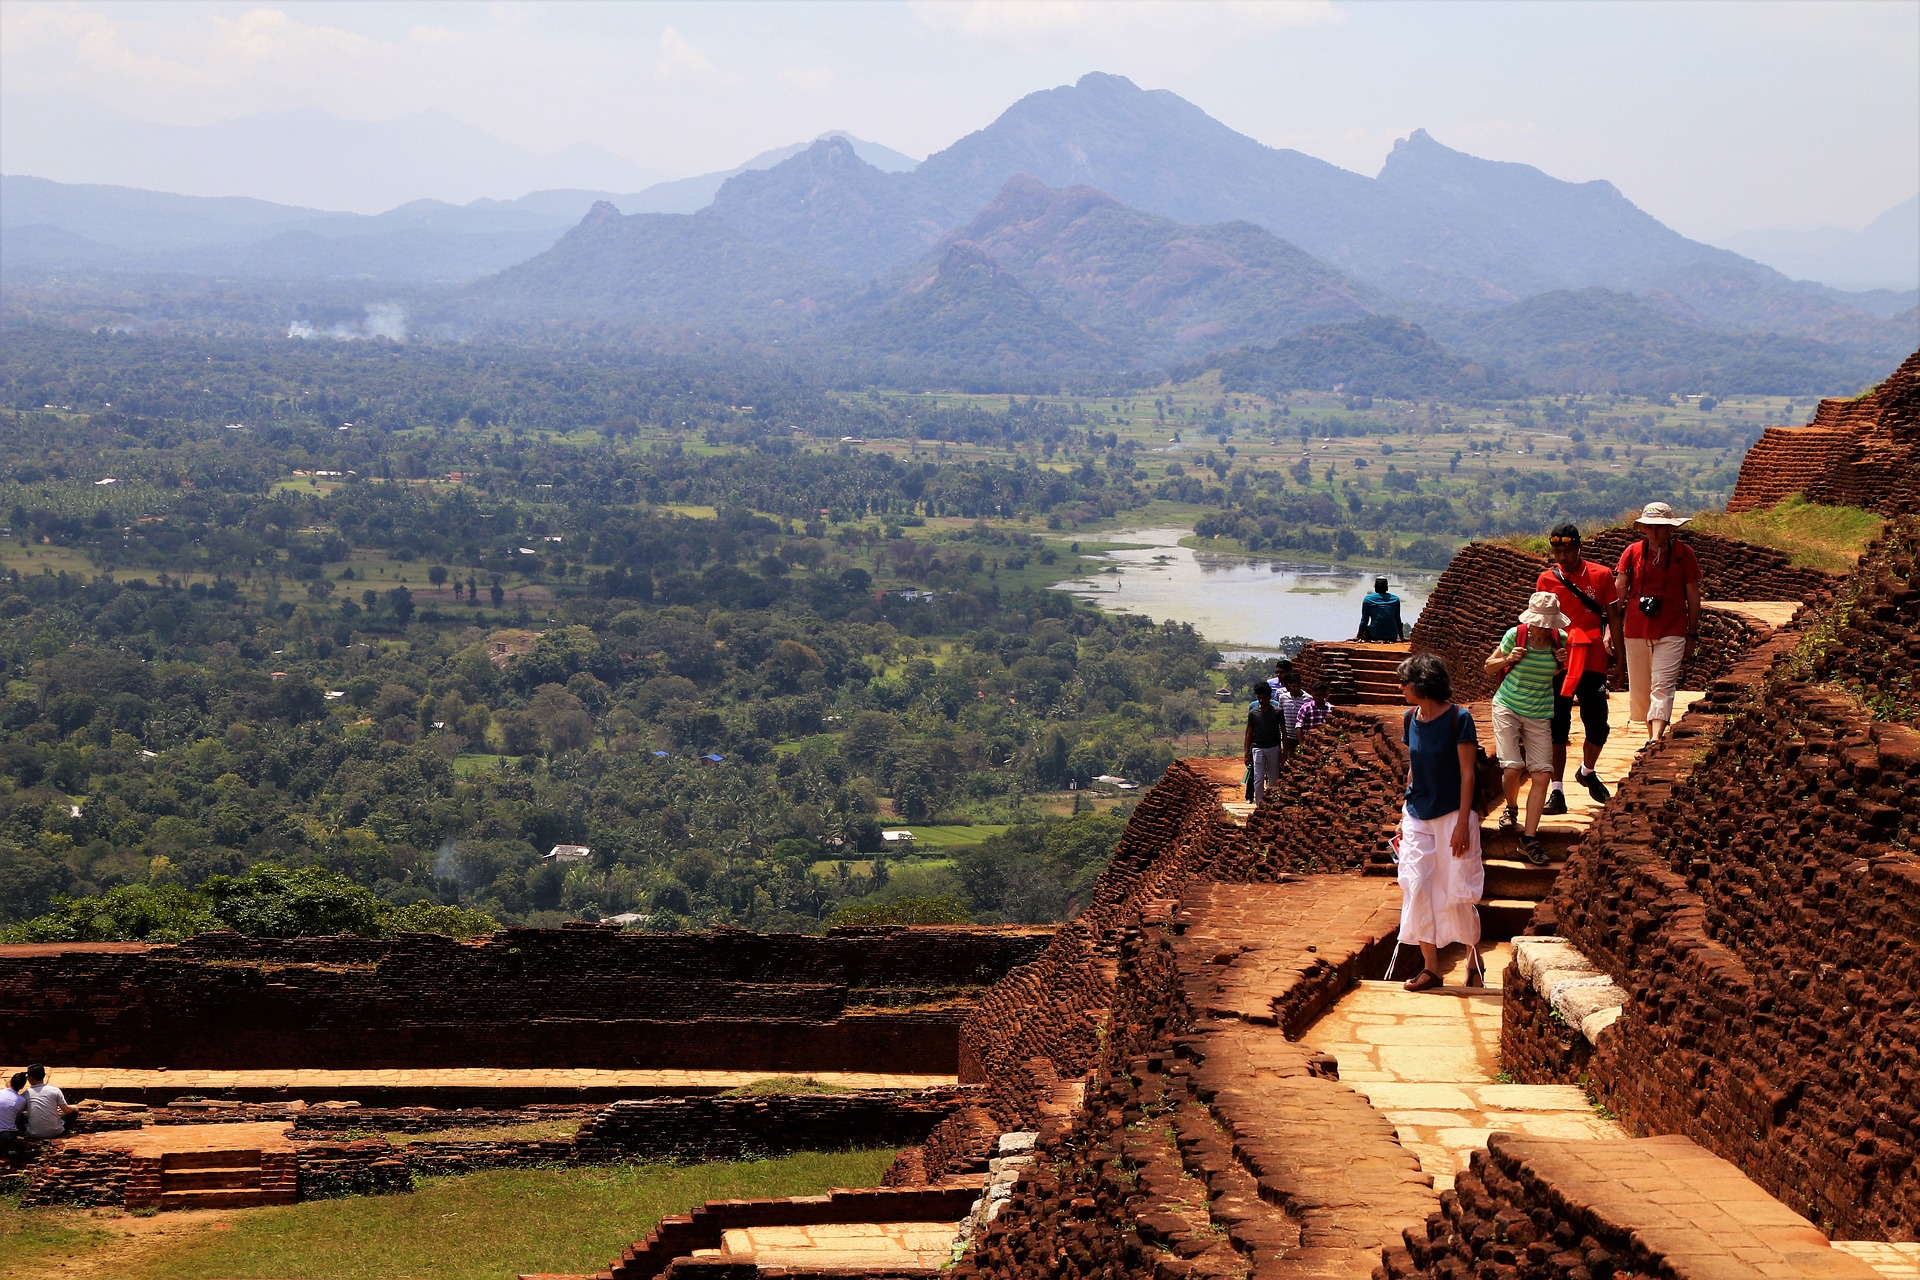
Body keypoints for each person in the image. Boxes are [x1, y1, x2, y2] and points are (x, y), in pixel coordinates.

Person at [1393, 652, 1485, 992]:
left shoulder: (1458, 719)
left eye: (1404, 682)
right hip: (1418, 812)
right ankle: (1431, 968)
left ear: (1422, 684)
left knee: (1456, 888)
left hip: (1452, 813)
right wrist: (1404, 813)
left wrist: (1463, 823)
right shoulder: (1409, 717)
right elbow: (1413, 766)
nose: (1400, 687)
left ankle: (1473, 958)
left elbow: (1467, 775)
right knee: (1415, 883)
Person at [1537, 524, 1621, 813]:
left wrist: (1619, 658)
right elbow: (1542, 620)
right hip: (1559, 661)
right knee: (1557, 727)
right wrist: (1549, 651)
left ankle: (1587, 771)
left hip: (1594, 656)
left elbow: (1613, 616)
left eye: (1567, 549)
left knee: (1598, 724)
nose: (1562, 555)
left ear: (1578, 547)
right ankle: (1557, 791)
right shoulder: (1547, 579)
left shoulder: (1601, 575)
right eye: (1557, 550)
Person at [1485, 592, 1567, 866]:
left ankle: (1529, 839)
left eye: (1548, 624)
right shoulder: (1515, 636)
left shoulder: (1560, 641)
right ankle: (1511, 807)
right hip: (1508, 705)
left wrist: (1561, 662)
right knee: (1512, 768)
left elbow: (1556, 672)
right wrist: (1508, 658)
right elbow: (1488, 666)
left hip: (1540, 711)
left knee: (1542, 774)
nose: (1542, 629)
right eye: (1539, 623)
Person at [1614, 503, 1702, 747]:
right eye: (1650, 528)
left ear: (1670, 529)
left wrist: (1692, 633)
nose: (1655, 533)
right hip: (1636, 628)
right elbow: (1619, 591)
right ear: (1643, 529)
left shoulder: (1683, 554)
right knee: (1642, 688)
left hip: (1672, 627)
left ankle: (1655, 738)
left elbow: (1693, 595)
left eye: (1660, 528)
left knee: (1663, 684)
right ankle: (1650, 735)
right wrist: (1609, 628)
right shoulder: (1632, 553)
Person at [1244, 682, 1286, 804]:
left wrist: (1283, 750)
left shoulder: (1278, 712)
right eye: (1259, 698)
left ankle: (1272, 803)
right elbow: (1249, 734)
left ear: (1270, 697)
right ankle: (1259, 804)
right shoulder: (1253, 713)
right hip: (1257, 748)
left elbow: (1283, 731)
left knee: (1273, 779)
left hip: (1274, 748)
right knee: (1258, 778)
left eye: (1264, 698)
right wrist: (1246, 753)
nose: (1262, 700)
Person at [21, 1064, 77, 1140]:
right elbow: (66, 1110)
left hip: (33, 1133)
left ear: (30, 1078)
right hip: (55, 1132)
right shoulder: (54, 1090)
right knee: (74, 1112)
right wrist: (74, 1107)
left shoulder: (26, 1094)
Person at [1274, 669, 1308, 759]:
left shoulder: (1308, 699)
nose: (1296, 689)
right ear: (1289, 686)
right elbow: (1279, 716)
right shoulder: (1283, 698)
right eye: (1293, 686)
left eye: (1298, 686)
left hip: (1302, 737)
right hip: (1287, 736)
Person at [1356, 577, 1404, 642]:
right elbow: (1398, 619)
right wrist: (1402, 637)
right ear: (1387, 587)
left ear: (1375, 587)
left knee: (1366, 633)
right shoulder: (1395, 599)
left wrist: (1358, 637)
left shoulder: (1368, 599)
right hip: (1392, 635)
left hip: (1374, 634)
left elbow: (1364, 620)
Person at [0, 1072, 25, 1145]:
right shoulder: (21, 1100)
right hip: (7, 1134)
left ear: (11, 1082)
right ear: (22, 1087)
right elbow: (16, 1118)